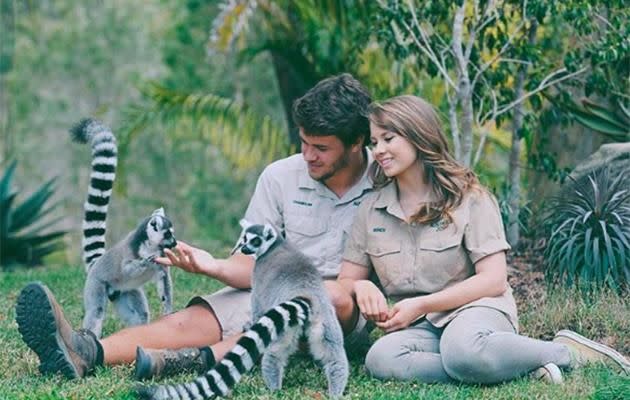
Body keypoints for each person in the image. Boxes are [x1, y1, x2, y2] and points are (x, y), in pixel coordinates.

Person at [15, 73, 374, 380]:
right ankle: (85, 352)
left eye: (321, 148)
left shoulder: (387, 180)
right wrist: (211, 265)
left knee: (328, 296)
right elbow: (250, 267)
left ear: (356, 142)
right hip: (269, 291)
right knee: (191, 320)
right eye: (304, 142)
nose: (308, 155)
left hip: (338, 315)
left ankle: (201, 359)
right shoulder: (281, 176)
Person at [337, 95, 630, 385]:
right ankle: (511, 366)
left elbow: (494, 280)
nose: (378, 150)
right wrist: (361, 284)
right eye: (374, 142)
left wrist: (423, 303)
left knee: (463, 350)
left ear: (418, 136)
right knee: (381, 358)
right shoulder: (371, 210)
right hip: (421, 326)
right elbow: (347, 282)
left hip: (477, 310)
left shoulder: (470, 198)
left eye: (388, 139)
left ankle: (567, 353)